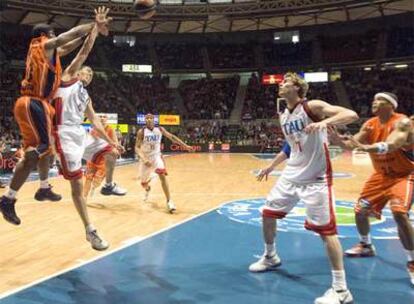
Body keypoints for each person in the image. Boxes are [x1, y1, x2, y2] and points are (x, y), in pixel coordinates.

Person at [250, 72, 358, 304]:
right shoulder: (283, 116)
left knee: (326, 232)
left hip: (316, 178)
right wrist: (270, 167)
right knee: (267, 214)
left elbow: (351, 114)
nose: (281, 84)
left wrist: (323, 122)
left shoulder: (313, 106)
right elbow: (289, 148)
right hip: (291, 176)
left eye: (286, 82)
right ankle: (271, 257)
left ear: (298, 88)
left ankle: (341, 290)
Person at [0, 7, 112, 225]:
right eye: (53, 37)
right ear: (47, 36)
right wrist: (94, 24)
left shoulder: (53, 56)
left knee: (48, 151)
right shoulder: (41, 45)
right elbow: (67, 37)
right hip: (32, 102)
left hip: (40, 105)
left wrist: (94, 33)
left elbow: (74, 46)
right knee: (38, 151)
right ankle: (8, 198)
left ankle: (42, 188)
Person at [52, 12, 124, 250]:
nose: (89, 75)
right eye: (87, 71)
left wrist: (112, 142)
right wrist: (96, 27)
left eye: (92, 74)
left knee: (111, 153)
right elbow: (84, 52)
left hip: (80, 134)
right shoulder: (67, 77)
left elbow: (94, 122)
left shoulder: (86, 96)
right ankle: (90, 230)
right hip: (64, 133)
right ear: (79, 71)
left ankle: (108, 185)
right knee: (76, 186)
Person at [330, 92, 414, 284]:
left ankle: (412, 262)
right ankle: (366, 245)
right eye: (374, 99)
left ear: (391, 105)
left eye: (379, 100)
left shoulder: (402, 122)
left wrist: (366, 148)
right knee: (360, 211)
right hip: (381, 176)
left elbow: (393, 144)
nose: (374, 102)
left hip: (405, 175)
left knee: (399, 213)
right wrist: (337, 140)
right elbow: (353, 144)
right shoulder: (370, 124)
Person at [135, 114, 193, 213]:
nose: (149, 120)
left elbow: (172, 137)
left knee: (162, 175)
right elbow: (137, 147)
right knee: (143, 183)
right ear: (145, 120)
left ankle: (169, 201)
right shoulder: (142, 132)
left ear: (154, 120)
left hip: (156, 156)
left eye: (151, 118)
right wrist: (144, 159)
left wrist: (185, 146)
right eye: (147, 118)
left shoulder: (160, 129)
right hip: (145, 158)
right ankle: (147, 188)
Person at [84, 115, 121, 199]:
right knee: (88, 178)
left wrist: (115, 150)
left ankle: (94, 188)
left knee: (97, 181)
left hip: (103, 160)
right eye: (100, 117)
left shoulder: (110, 129)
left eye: (104, 117)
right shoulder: (93, 129)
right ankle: (84, 197)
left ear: (107, 119)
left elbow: (115, 142)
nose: (102, 118)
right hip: (93, 158)